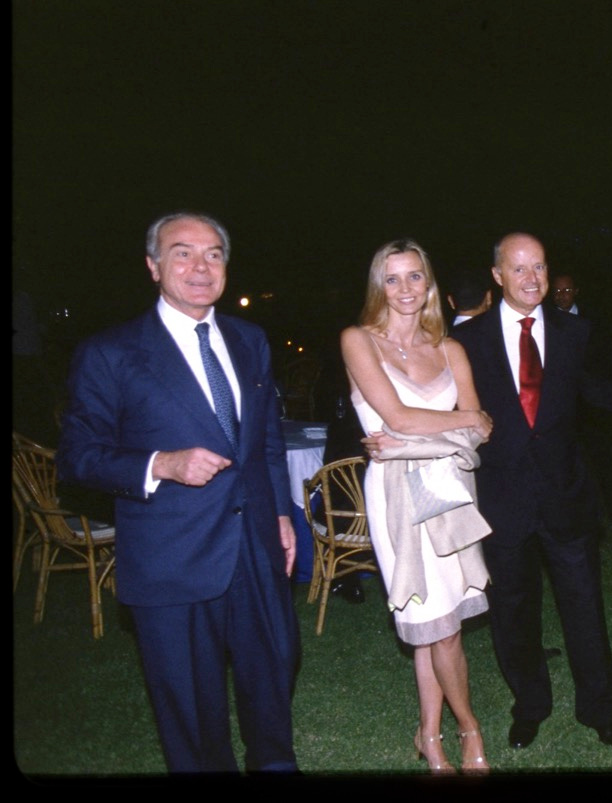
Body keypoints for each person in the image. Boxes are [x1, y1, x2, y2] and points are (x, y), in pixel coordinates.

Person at [57, 212, 300, 774]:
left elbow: (266, 441)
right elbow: (77, 457)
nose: (200, 266)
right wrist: (161, 463)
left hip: (256, 544)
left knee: (274, 671)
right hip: (172, 554)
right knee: (190, 705)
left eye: (214, 254)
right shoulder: (111, 351)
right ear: (153, 266)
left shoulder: (250, 340)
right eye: (182, 253)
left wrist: (282, 514)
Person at [454, 232, 612, 751]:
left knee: (585, 608)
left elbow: (606, 395)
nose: (532, 279)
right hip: (502, 501)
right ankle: (530, 706)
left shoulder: (577, 332)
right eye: (519, 269)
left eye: (540, 267)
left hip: (566, 497)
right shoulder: (468, 341)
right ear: (497, 275)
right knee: (513, 611)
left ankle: (602, 710)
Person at [340, 239, 495, 775]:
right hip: (397, 498)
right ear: (378, 286)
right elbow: (401, 418)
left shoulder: (451, 349)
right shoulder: (359, 340)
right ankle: (470, 727)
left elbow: (480, 432)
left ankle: (429, 736)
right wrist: (458, 424)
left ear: (429, 283)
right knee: (436, 623)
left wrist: (417, 439)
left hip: (451, 493)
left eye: (414, 276)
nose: (404, 288)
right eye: (392, 278)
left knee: (440, 623)